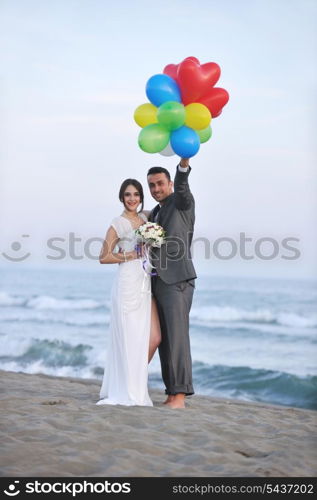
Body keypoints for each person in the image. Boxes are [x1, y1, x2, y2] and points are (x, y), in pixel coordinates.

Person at [96, 179, 161, 406]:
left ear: (141, 197)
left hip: (145, 284)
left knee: (150, 338)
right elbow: (104, 256)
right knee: (128, 337)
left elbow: (166, 207)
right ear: (121, 198)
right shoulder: (118, 223)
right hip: (126, 284)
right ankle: (126, 389)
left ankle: (134, 384)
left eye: (135, 194)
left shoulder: (145, 219)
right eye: (127, 195)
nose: (132, 198)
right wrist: (130, 255)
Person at [147, 157, 196, 409]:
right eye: (152, 186)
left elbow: (183, 186)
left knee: (177, 338)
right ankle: (170, 393)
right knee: (165, 340)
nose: (156, 189)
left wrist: (183, 165)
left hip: (178, 279)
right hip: (158, 282)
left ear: (169, 184)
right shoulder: (155, 212)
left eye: (159, 184)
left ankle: (179, 397)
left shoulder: (180, 202)